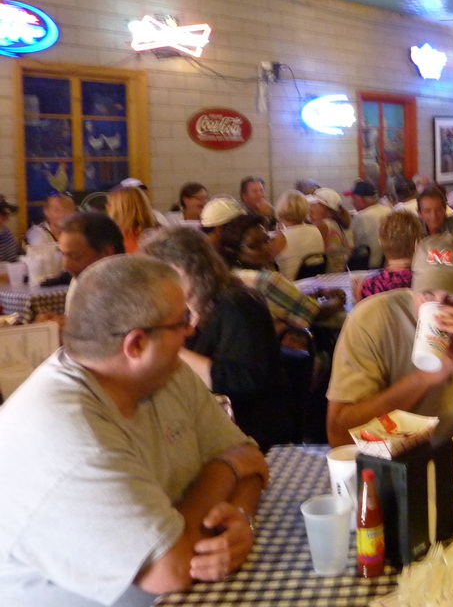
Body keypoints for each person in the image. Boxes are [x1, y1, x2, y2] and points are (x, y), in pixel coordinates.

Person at [0, 255, 267, 606]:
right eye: (182, 320)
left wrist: (239, 519)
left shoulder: (164, 374)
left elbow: (251, 458)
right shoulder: (69, 435)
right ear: (136, 345)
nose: (193, 329)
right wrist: (225, 468)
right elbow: (171, 570)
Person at [326, 233, 453, 448]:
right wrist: (424, 378)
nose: (440, 306)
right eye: (427, 294)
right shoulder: (370, 319)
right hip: (388, 462)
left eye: (452, 297)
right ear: (413, 283)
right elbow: (339, 436)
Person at [141, 226, 291, 451]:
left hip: (249, 430)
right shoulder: (188, 310)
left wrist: (170, 348)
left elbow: (245, 381)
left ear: (185, 269)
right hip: (207, 423)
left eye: (161, 276)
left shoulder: (237, 304)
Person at [217, 213, 344, 342]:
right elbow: (315, 313)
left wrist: (317, 292)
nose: (266, 247)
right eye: (254, 245)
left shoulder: (229, 277)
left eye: (267, 240)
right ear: (234, 251)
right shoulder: (267, 280)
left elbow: (284, 304)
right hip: (285, 355)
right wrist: (339, 299)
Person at [58, 211, 125, 310]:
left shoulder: (128, 293)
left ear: (106, 253)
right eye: (63, 254)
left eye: (75, 256)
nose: (66, 266)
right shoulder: (80, 280)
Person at [358, 210, 423, 300]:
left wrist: (358, 297)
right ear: (417, 244)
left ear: (381, 242)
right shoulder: (425, 281)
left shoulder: (370, 286)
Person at [274, 189, 326, 282]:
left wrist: (278, 234)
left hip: (289, 288)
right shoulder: (315, 230)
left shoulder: (282, 238)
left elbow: (266, 262)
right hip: (313, 285)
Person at [347, 179, 392, 269]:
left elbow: (352, 245)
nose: (352, 202)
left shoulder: (361, 217)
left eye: (353, 198)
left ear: (361, 199)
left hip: (368, 266)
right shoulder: (389, 211)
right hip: (387, 264)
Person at [106, 184, 160, 253]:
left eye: (110, 204)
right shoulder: (161, 233)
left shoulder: (113, 237)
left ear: (121, 208)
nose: (107, 207)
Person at [308, 187, 351, 272]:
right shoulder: (338, 222)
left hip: (329, 276)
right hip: (341, 274)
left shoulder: (323, 225)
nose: (309, 209)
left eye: (313, 205)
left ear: (324, 207)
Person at [0, 195, 20, 263]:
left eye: (7, 213)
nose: (7, 216)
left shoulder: (5, 230)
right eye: (3, 213)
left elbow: (17, 250)